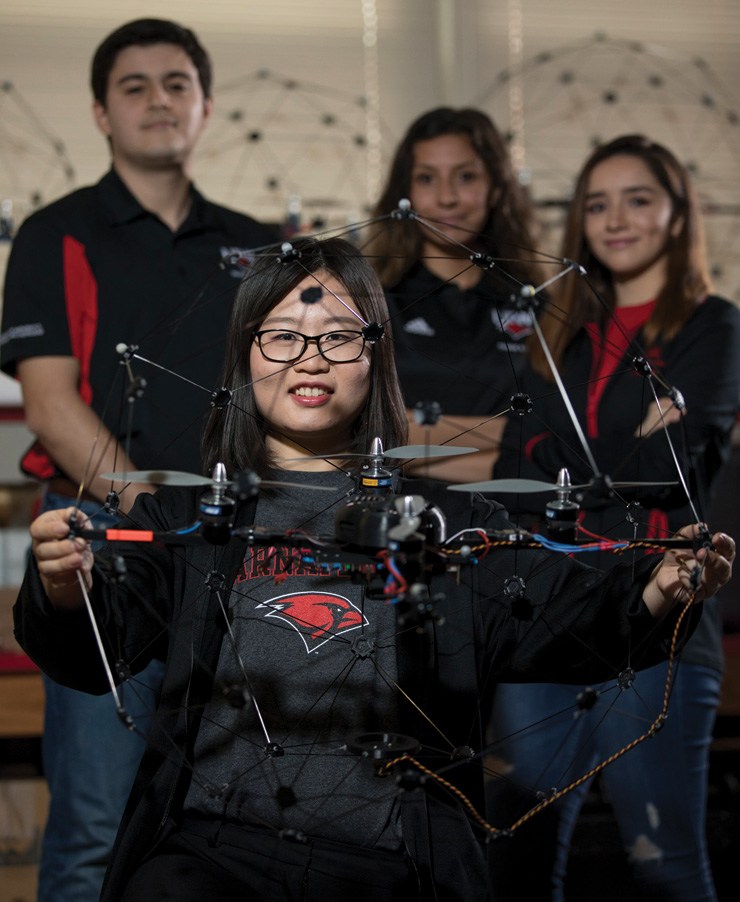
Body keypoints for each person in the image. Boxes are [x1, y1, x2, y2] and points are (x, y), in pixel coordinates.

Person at [14, 236, 735, 902]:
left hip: (386, 862)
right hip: (210, 857)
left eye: (338, 337)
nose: (311, 358)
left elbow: (555, 610)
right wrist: (61, 586)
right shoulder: (193, 518)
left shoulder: (451, 524)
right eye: (284, 336)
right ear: (245, 357)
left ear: (376, 355)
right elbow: (100, 646)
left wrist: (660, 588)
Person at [0, 18, 276, 902]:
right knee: (92, 833)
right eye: (134, 86)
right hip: (105, 565)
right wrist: (155, 512)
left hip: (239, 569)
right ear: (99, 111)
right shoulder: (53, 236)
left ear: (204, 106)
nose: (158, 100)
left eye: (175, 84)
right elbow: (48, 402)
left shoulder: (257, 246)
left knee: (235, 834)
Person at [488, 135, 740, 900]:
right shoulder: (558, 333)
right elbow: (512, 465)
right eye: (597, 203)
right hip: (548, 615)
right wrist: (621, 448)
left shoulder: (714, 326)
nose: (615, 218)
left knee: (663, 870)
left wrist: (568, 459)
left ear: (675, 214)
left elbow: (675, 466)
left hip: (657, 620)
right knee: (518, 869)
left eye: (637, 199)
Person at [365, 107, 544, 483]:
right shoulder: (374, 299)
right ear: (405, 193)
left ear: (496, 186)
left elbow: (555, 436)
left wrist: (420, 442)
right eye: (427, 178)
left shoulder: (536, 301)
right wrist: (510, 437)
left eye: (465, 176)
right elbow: (373, 440)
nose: (447, 198)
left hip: (515, 521)